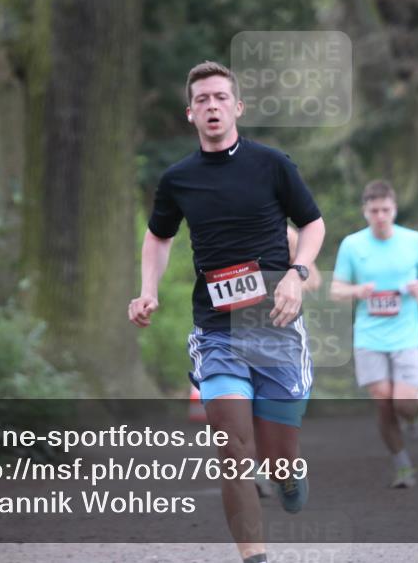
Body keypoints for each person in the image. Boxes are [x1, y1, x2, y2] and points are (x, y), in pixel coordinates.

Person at [129, 61, 325, 563]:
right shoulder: (179, 180)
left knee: (278, 462)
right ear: (190, 113)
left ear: (237, 107)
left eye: (220, 97)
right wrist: (148, 289)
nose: (211, 106)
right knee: (233, 451)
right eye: (202, 100)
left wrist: (297, 274)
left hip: (275, 326)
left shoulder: (272, 164)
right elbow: (158, 236)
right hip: (217, 330)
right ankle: (254, 558)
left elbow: (313, 224)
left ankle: (286, 474)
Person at [330, 180, 418, 489]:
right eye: (374, 210)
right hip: (369, 335)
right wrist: (357, 291)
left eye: (385, 210)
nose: (380, 216)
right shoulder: (352, 245)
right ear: (365, 212)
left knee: (402, 404)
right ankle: (402, 464)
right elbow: (336, 289)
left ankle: (414, 414)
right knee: (382, 401)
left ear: (394, 209)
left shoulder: (413, 240)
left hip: (405, 334)